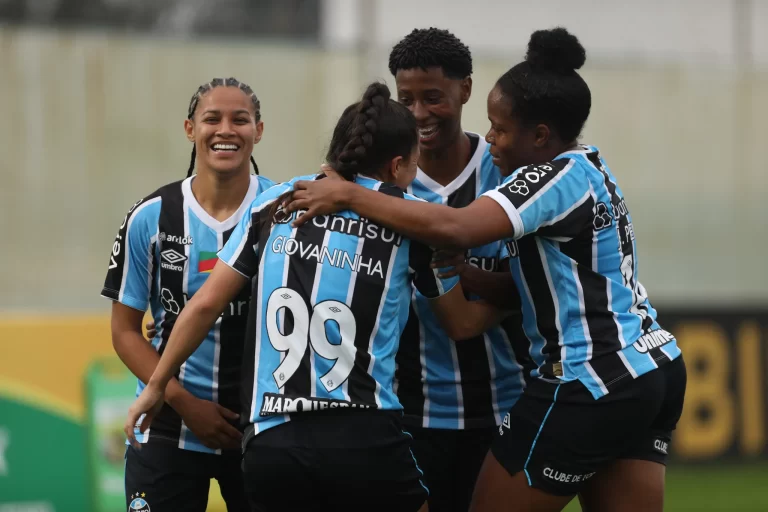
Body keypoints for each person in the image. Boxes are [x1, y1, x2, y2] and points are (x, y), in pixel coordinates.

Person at [282, 28, 687, 512]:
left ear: (539, 136)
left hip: (586, 375)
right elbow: (554, 283)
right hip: (651, 364)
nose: (490, 135)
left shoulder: (547, 176)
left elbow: (454, 229)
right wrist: (469, 277)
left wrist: (348, 194)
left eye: (499, 127)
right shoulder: (591, 167)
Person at [122, 82, 510, 512]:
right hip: (364, 433)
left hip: (273, 438)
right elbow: (463, 323)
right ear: (399, 165)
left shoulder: (276, 202)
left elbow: (205, 304)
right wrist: (520, 298)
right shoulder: (410, 223)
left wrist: (155, 387)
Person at [102, 77, 275, 512]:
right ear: (189, 128)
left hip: (259, 426)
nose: (225, 130)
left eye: (240, 120)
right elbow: (125, 332)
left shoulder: (284, 209)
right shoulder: (151, 217)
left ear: (259, 130)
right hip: (166, 425)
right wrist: (182, 401)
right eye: (211, 119)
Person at [388, 27, 528, 512]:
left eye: (433, 98)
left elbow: (548, 284)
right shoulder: (383, 185)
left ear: (465, 89)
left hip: (506, 409)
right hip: (409, 414)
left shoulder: (508, 171)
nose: (419, 113)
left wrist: (471, 277)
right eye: (406, 99)